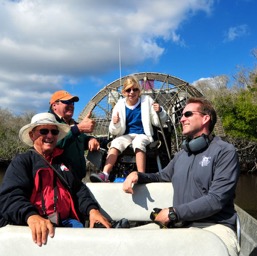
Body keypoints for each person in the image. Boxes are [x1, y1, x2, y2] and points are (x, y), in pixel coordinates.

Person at [123, 97, 240, 256]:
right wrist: (138, 175)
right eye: (182, 115)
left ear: (206, 118)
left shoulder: (225, 151)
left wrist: (174, 213)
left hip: (215, 225)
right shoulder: (181, 154)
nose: (181, 119)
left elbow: (216, 199)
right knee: (127, 244)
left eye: (188, 114)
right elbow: (161, 176)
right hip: (181, 225)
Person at [0, 113, 111, 247]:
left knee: (94, 244)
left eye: (54, 131)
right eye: (44, 131)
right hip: (34, 227)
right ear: (32, 135)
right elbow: (9, 197)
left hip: (67, 223)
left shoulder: (63, 162)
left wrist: (92, 210)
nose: (50, 136)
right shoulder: (22, 162)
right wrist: (31, 216)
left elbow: (79, 190)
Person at [90, 76, 167, 182]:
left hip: (143, 135)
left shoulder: (147, 101)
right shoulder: (120, 104)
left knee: (138, 142)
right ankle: (105, 174)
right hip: (126, 135)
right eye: (128, 90)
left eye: (135, 89)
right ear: (123, 92)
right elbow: (113, 131)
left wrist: (160, 111)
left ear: (139, 91)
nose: (132, 92)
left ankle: (141, 175)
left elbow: (157, 122)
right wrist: (115, 123)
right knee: (116, 143)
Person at [49, 90, 100, 180]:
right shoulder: (48, 122)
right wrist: (78, 129)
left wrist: (91, 139)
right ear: (54, 105)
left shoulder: (74, 124)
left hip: (77, 180)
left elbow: (82, 139)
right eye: (66, 102)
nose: (71, 105)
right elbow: (54, 142)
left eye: (72, 103)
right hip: (57, 180)